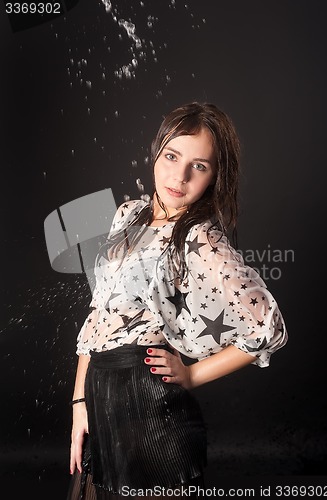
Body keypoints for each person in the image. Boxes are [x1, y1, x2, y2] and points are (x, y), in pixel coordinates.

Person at [67, 102, 287, 500]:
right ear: (157, 149)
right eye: (172, 156)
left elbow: (266, 327)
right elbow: (100, 312)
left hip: (149, 403)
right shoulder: (128, 215)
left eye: (199, 166)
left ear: (215, 176)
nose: (179, 175)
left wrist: (191, 375)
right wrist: (80, 401)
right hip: (102, 394)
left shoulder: (199, 238)